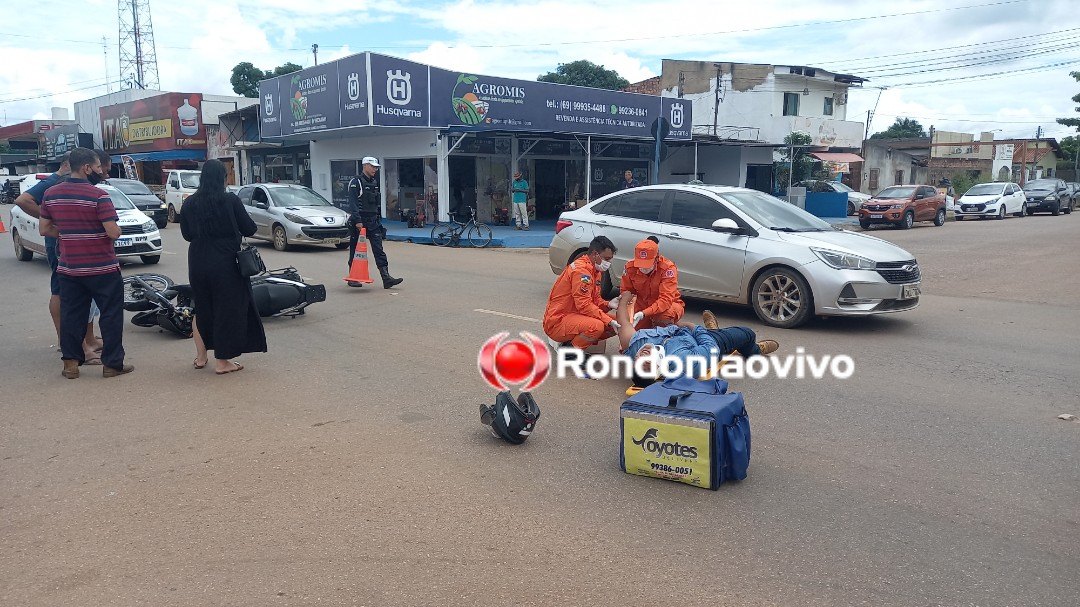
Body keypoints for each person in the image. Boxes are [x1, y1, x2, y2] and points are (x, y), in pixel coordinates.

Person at [38, 147, 132, 379]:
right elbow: (113, 232)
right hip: (103, 268)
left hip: (70, 268)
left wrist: (69, 233)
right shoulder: (99, 196)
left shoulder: (51, 194)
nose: (101, 171)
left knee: (72, 315)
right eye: (99, 167)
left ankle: (70, 364)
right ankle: (111, 365)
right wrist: (116, 229)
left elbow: (44, 229)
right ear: (87, 168)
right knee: (110, 315)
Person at [180, 159, 267, 375]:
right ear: (223, 178)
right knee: (227, 309)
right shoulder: (230, 200)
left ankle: (201, 358)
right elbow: (249, 228)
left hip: (198, 261)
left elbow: (187, 235)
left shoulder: (190, 203)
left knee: (202, 307)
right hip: (226, 262)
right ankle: (222, 361)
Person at [612, 292, 779, 386]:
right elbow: (710, 346)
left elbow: (623, 322)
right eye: (647, 362)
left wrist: (624, 299)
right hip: (705, 340)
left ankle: (713, 328)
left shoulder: (634, 345)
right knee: (747, 333)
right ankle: (755, 350)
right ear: (658, 370)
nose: (643, 355)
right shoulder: (686, 364)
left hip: (681, 332)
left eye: (638, 360)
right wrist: (693, 327)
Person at [543, 236, 620, 351]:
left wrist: (608, 304)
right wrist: (608, 320)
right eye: (606, 259)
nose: (608, 263)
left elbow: (594, 301)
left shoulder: (595, 270)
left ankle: (574, 343)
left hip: (573, 316)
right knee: (597, 326)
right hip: (558, 321)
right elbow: (584, 305)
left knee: (618, 324)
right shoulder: (581, 272)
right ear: (595, 254)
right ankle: (571, 352)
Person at [347, 157, 402, 289]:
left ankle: (386, 278)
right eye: (372, 166)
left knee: (379, 249)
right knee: (355, 251)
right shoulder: (356, 182)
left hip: (372, 221)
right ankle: (353, 277)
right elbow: (353, 204)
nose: (375, 169)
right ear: (365, 166)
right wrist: (358, 221)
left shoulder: (374, 182)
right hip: (359, 222)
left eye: (376, 167)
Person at [617, 237, 684, 329]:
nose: (643, 268)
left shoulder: (667, 269)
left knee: (663, 319)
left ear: (656, 258)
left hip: (666, 307)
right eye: (640, 264)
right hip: (642, 306)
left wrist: (644, 313)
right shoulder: (630, 267)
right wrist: (625, 311)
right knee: (634, 333)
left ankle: (672, 330)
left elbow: (665, 299)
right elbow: (626, 292)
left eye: (647, 265)